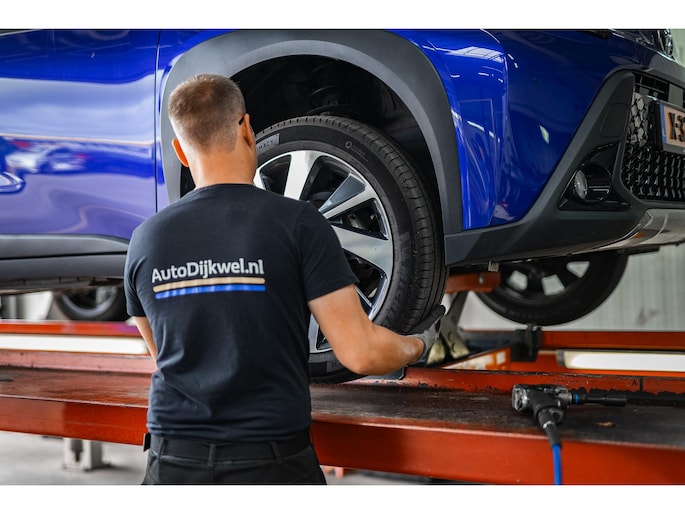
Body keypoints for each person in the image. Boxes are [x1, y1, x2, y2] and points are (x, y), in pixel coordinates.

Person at [124, 73, 444, 485]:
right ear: (247, 130)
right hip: (268, 462)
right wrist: (419, 343)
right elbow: (361, 354)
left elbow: (164, 351)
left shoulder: (145, 239)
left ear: (180, 151)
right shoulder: (298, 223)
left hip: (171, 462)